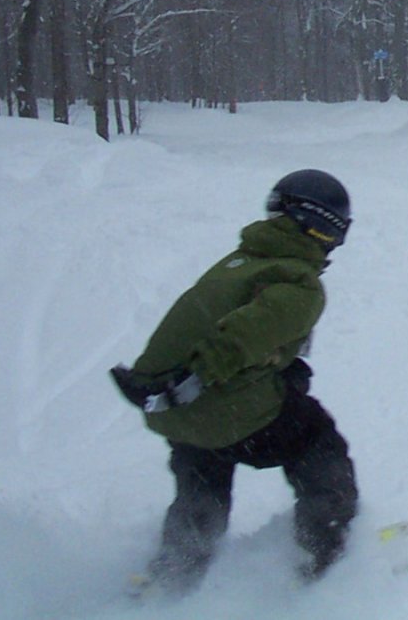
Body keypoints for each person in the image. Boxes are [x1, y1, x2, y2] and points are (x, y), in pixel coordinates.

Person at [110, 169, 359, 594]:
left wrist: (163, 390)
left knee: (204, 473)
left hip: (175, 413)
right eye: (334, 234)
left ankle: (177, 570)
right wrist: (188, 384)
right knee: (317, 440)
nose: (333, 245)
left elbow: (213, 326)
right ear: (318, 227)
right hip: (204, 400)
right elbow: (236, 339)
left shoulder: (240, 262)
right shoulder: (300, 282)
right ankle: (323, 559)